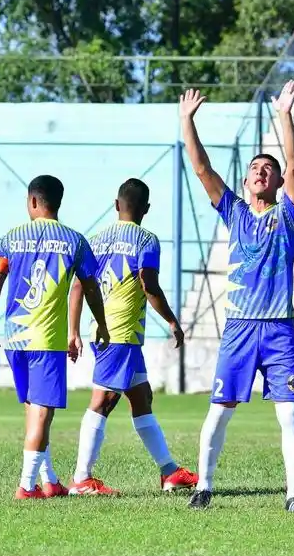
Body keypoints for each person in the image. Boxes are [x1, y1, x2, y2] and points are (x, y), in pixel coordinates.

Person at [179, 80, 294, 513]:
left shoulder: (288, 215)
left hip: (278, 330)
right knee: (220, 411)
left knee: (290, 414)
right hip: (238, 329)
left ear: (275, 183)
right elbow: (201, 170)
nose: (261, 171)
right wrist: (186, 122)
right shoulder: (233, 211)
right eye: (256, 168)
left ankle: (293, 496)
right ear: (245, 179)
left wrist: (285, 116)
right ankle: (205, 486)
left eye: (267, 169)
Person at [66, 178, 199, 495]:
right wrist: (171, 320)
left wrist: (73, 330)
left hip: (103, 329)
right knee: (103, 401)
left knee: (142, 397)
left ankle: (169, 472)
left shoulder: (94, 240)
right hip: (120, 332)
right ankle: (82, 479)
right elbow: (147, 284)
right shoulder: (147, 240)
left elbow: (77, 286)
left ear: (116, 205)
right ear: (147, 209)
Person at [0, 174, 110, 500]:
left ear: (33, 201)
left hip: (15, 339)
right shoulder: (75, 241)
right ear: (58, 202)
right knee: (42, 412)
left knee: (32, 408)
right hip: (46, 340)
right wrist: (100, 325)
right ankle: (26, 486)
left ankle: (49, 480)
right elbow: (91, 286)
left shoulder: (12, 238)